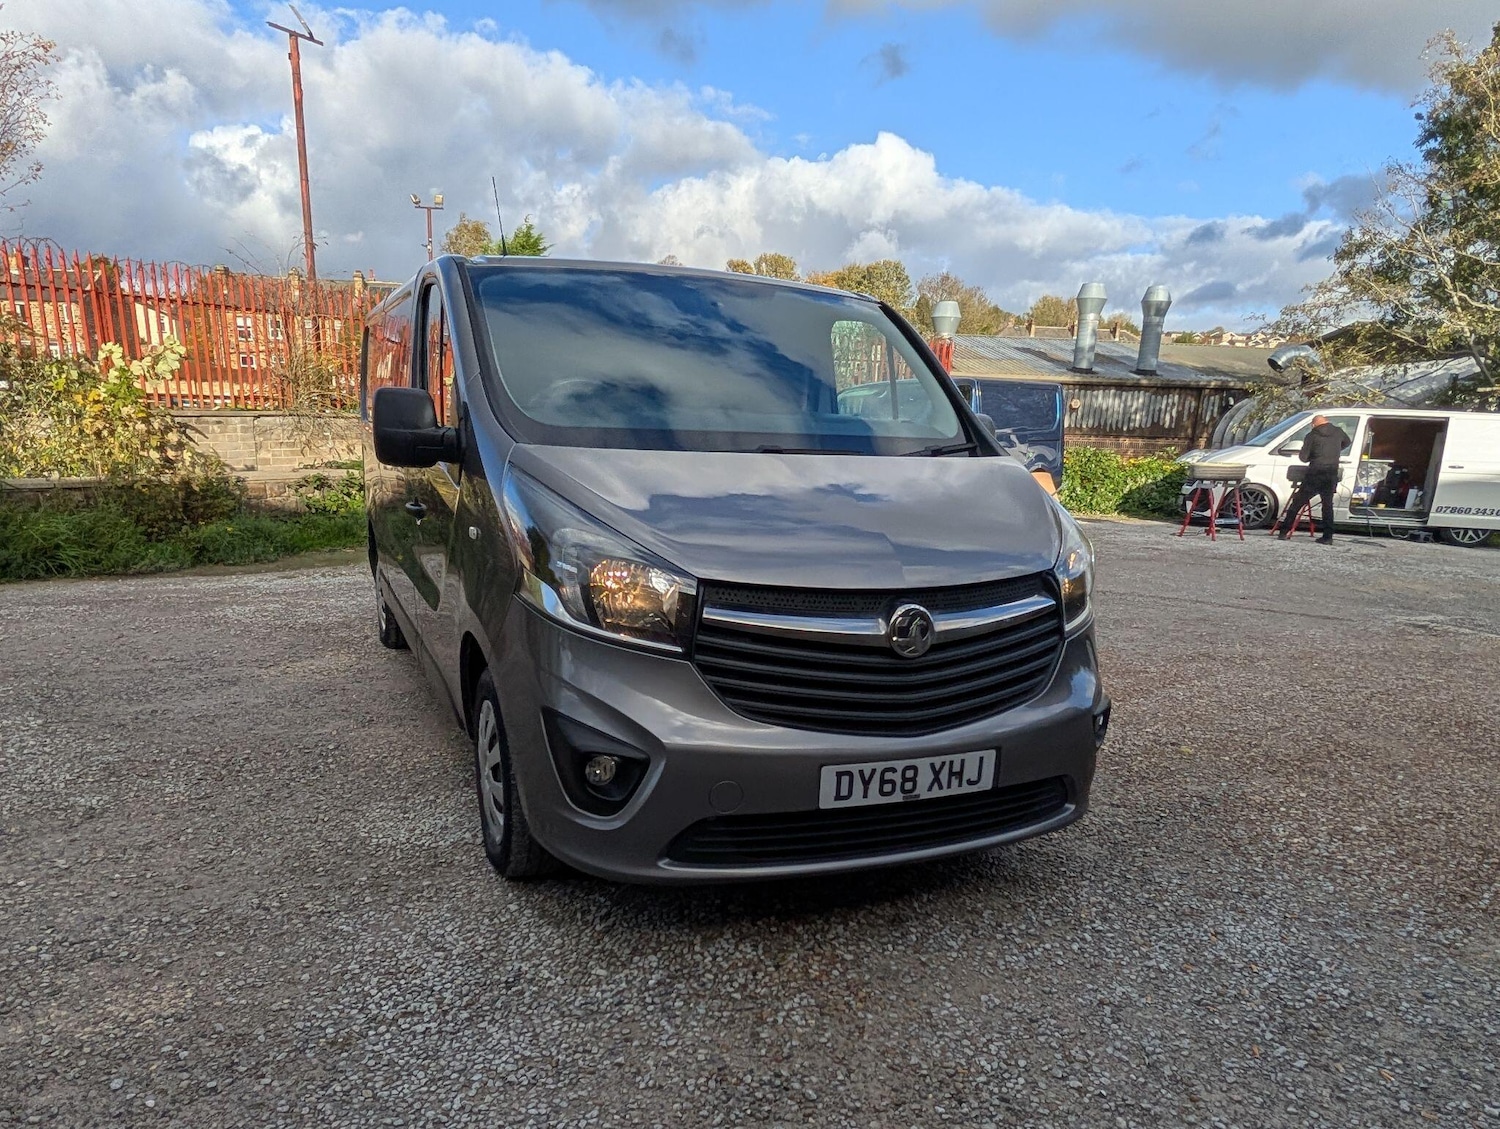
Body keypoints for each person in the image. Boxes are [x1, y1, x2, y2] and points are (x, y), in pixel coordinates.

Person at [1276, 414, 1351, 544]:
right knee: (1327, 506)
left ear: (1313, 424)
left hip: (1315, 473)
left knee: (1297, 503)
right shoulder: (1338, 432)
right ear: (1327, 421)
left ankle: (1284, 532)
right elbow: (1347, 442)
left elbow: (1303, 458)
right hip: (1331, 473)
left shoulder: (1311, 435)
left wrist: (1313, 456)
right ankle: (1328, 537)